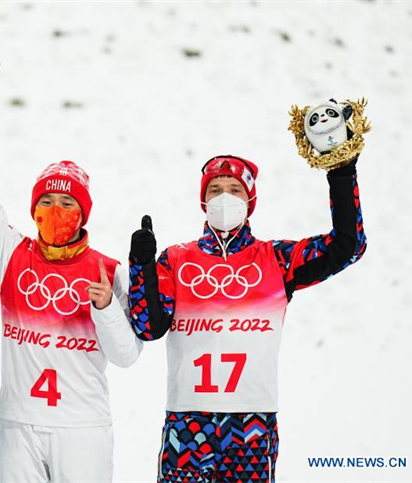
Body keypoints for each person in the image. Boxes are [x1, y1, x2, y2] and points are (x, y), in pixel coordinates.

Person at [127, 120, 367, 482]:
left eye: (235, 189)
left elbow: (348, 245)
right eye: (216, 189)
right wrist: (141, 267)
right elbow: (148, 327)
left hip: (252, 424)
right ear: (203, 200)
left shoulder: (276, 260)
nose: (225, 197)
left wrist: (342, 170)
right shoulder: (176, 259)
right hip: (189, 423)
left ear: (249, 200)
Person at [0, 99, 142, 482]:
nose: (56, 210)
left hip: (82, 429)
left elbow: (128, 355)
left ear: (83, 213)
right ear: (34, 210)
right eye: (46, 201)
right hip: (19, 426)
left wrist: (106, 307)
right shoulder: (12, 255)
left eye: (67, 203)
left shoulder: (109, 271)